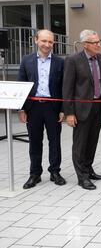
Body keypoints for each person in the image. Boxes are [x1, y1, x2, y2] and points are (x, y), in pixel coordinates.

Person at [63, 29, 101, 190]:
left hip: (98, 107)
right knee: (80, 144)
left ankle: (89, 169)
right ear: (85, 44)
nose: (98, 45)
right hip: (81, 109)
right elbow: (67, 88)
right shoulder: (73, 60)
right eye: (94, 42)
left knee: (92, 142)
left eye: (99, 42)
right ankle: (81, 177)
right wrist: (69, 113)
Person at [17, 29, 66, 189]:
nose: (47, 44)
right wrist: (22, 109)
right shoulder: (27, 60)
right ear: (36, 40)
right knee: (35, 142)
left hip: (53, 107)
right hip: (33, 108)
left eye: (50, 42)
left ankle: (55, 171)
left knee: (55, 141)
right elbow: (21, 85)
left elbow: (63, 87)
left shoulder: (60, 62)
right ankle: (35, 174)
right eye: (44, 41)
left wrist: (63, 109)